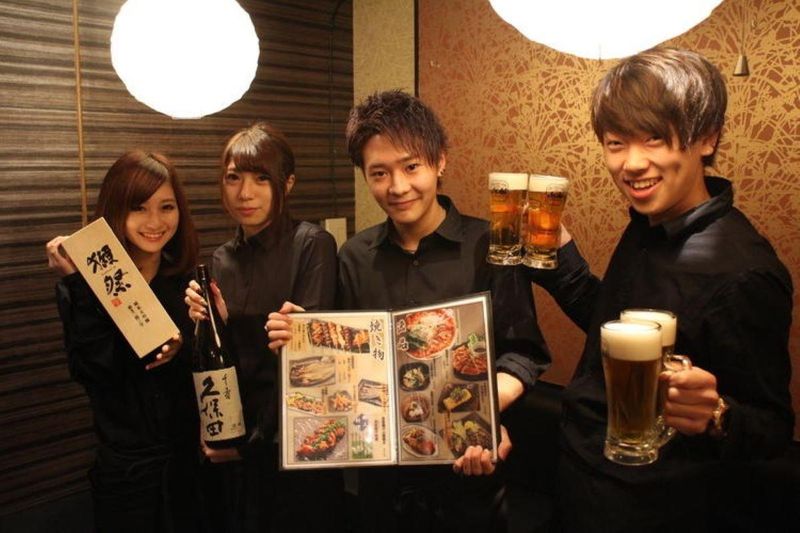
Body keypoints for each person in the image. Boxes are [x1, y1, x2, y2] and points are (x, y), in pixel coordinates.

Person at [532, 47, 794, 532]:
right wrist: (560, 259)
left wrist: (717, 412)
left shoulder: (744, 271)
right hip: (578, 481)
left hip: (652, 508)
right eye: (616, 143)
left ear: (707, 137)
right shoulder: (647, 226)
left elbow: (773, 429)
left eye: (654, 137)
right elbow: (611, 331)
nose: (632, 164)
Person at [267, 90, 551, 533]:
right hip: (381, 485)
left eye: (411, 167)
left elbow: (523, 354)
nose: (397, 187)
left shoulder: (491, 246)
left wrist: (483, 412)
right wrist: (298, 337)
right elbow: (342, 360)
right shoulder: (354, 256)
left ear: (440, 161)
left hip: (468, 473)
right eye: (379, 173)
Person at [184, 122, 344, 533]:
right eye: (233, 178)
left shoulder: (312, 244)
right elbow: (227, 358)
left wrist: (252, 445)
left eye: (261, 178)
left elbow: (312, 365)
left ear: (286, 184)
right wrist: (214, 323)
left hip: (294, 441)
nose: (245, 193)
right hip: (238, 436)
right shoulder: (221, 259)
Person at [45, 151, 202, 532]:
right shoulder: (84, 288)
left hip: (191, 470)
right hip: (125, 476)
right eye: (139, 208)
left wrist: (189, 345)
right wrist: (77, 285)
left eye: (167, 207)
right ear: (116, 210)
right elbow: (93, 372)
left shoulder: (188, 284)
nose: (155, 222)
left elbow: (207, 379)